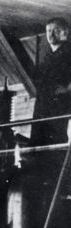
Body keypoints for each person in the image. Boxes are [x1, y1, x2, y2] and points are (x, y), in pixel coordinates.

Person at [30, 17, 71, 146]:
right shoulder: (47, 57)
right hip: (43, 108)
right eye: (48, 31)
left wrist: (68, 89)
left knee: (56, 146)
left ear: (65, 32)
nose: (51, 34)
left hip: (59, 108)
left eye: (56, 30)